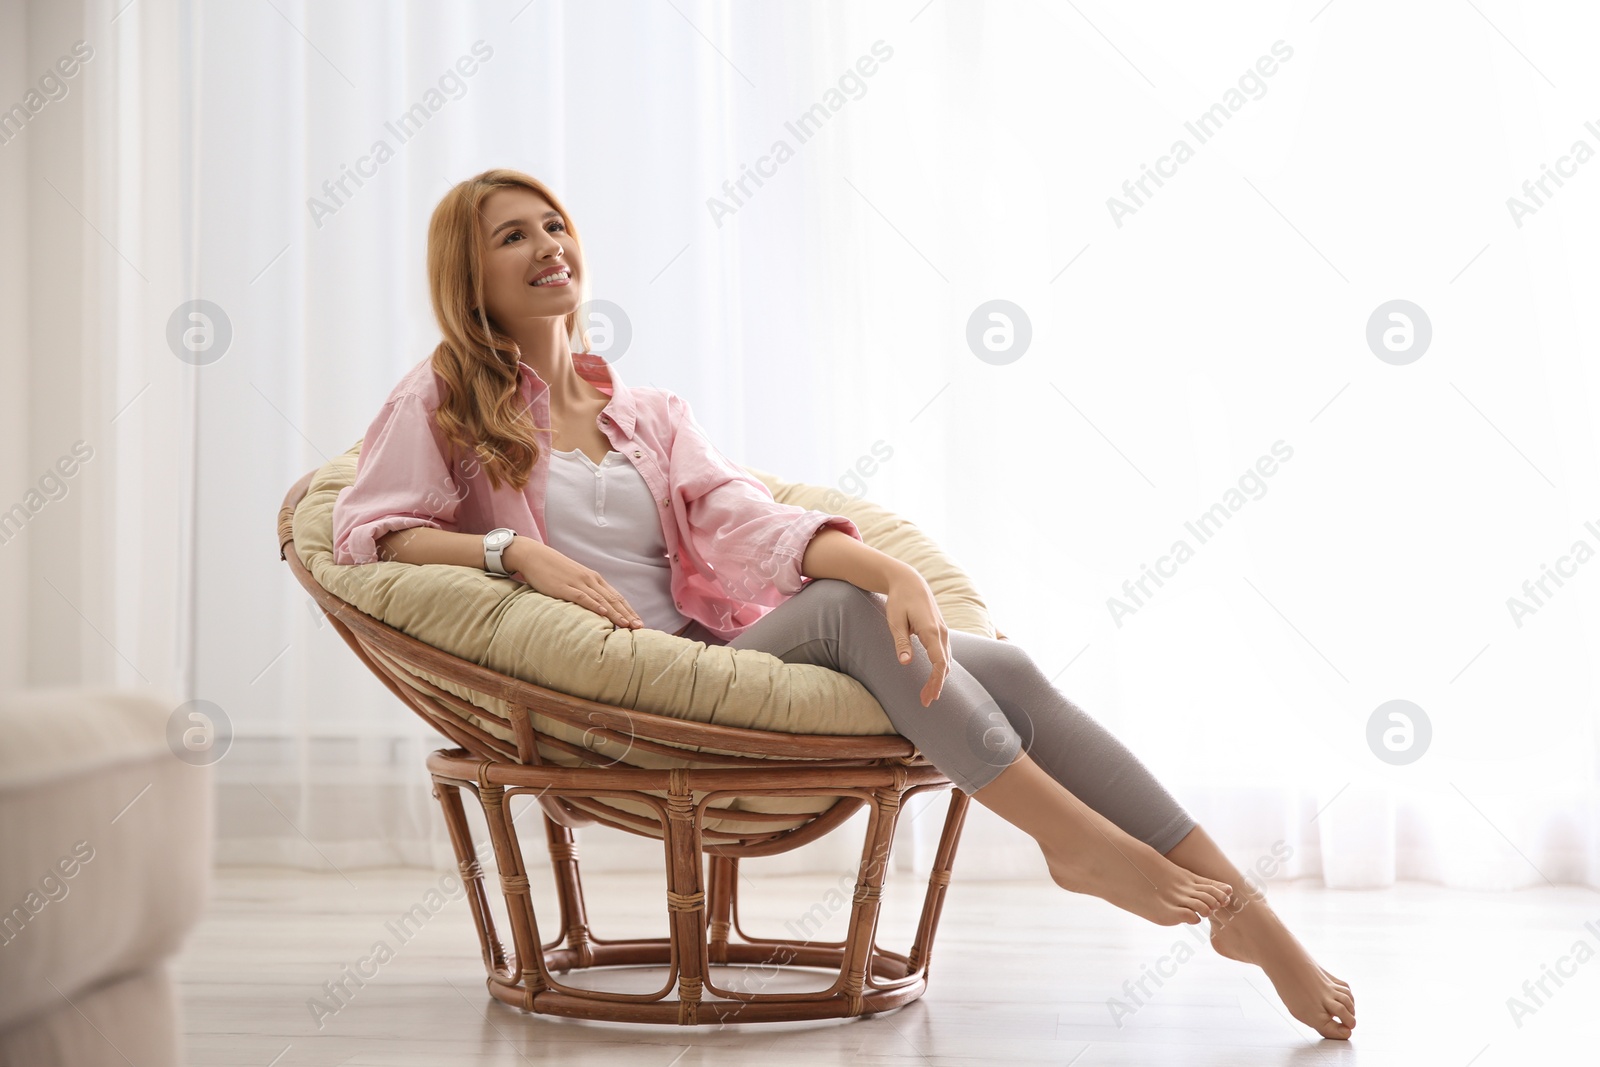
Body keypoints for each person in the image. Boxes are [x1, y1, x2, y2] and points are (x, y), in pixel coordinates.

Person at [331, 168, 1356, 1041]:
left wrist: (892, 571)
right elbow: (368, 530)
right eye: (513, 235)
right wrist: (514, 555)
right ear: (471, 277)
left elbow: (742, 519)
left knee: (1004, 667)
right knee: (856, 610)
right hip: (621, 693)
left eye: (554, 224)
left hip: (709, 660)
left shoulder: (647, 414)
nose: (548, 244)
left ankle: (1253, 918)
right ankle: (1074, 842)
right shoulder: (441, 400)